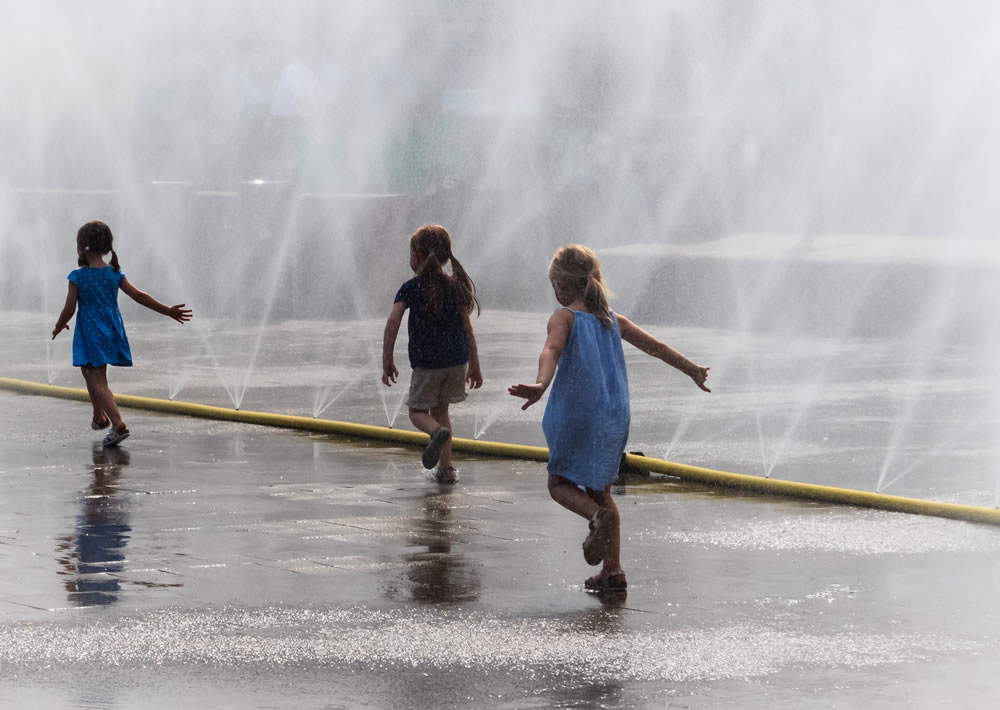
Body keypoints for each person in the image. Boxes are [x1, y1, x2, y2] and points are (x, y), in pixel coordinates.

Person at [508, 244, 710, 592]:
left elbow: (551, 349)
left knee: (558, 483)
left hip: (578, 413)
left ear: (561, 284)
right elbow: (655, 347)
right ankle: (613, 572)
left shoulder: (564, 317)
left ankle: (595, 518)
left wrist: (541, 384)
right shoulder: (612, 319)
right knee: (601, 489)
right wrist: (691, 369)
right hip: (614, 416)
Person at [52, 221, 192, 447]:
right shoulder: (114, 273)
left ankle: (118, 423)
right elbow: (139, 296)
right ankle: (99, 416)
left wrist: (59, 326)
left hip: (90, 331)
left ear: (81, 248)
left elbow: (70, 308)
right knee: (88, 371)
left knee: (98, 381)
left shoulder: (77, 277)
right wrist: (168, 311)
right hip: (110, 329)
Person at [382, 224, 483, 483]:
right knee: (442, 411)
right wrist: (475, 364)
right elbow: (467, 328)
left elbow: (393, 322)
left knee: (417, 412)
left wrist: (387, 360)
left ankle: (436, 432)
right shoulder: (455, 286)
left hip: (428, 364)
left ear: (417, 255)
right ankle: (446, 469)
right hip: (456, 362)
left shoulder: (411, 287)